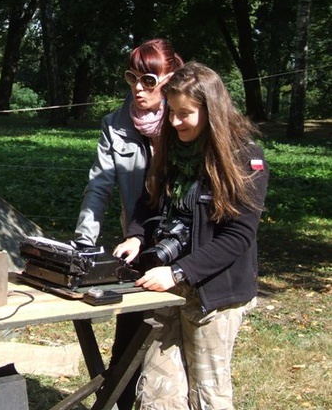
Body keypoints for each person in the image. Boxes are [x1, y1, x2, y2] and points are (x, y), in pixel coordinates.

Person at [114, 62, 269, 409]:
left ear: (211, 111)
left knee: (207, 394)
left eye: (186, 114)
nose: (174, 122)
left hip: (213, 293)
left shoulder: (246, 158)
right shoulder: (171, 148)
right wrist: (137, 236)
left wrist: (179, 272)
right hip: (165, 284)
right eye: (172, 112)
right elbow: (148, 199)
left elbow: (239, 235)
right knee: (157, 389)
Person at [73, 38, 184, 409]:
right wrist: (84, 246)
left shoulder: (186, 120)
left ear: (171, 78)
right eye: (132, 78)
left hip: (185, 249)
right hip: (135, 244)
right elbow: (99, 185)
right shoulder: (115, 125)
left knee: (175, 351)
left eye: (149, 79)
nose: (138, 87)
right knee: (128, 349)